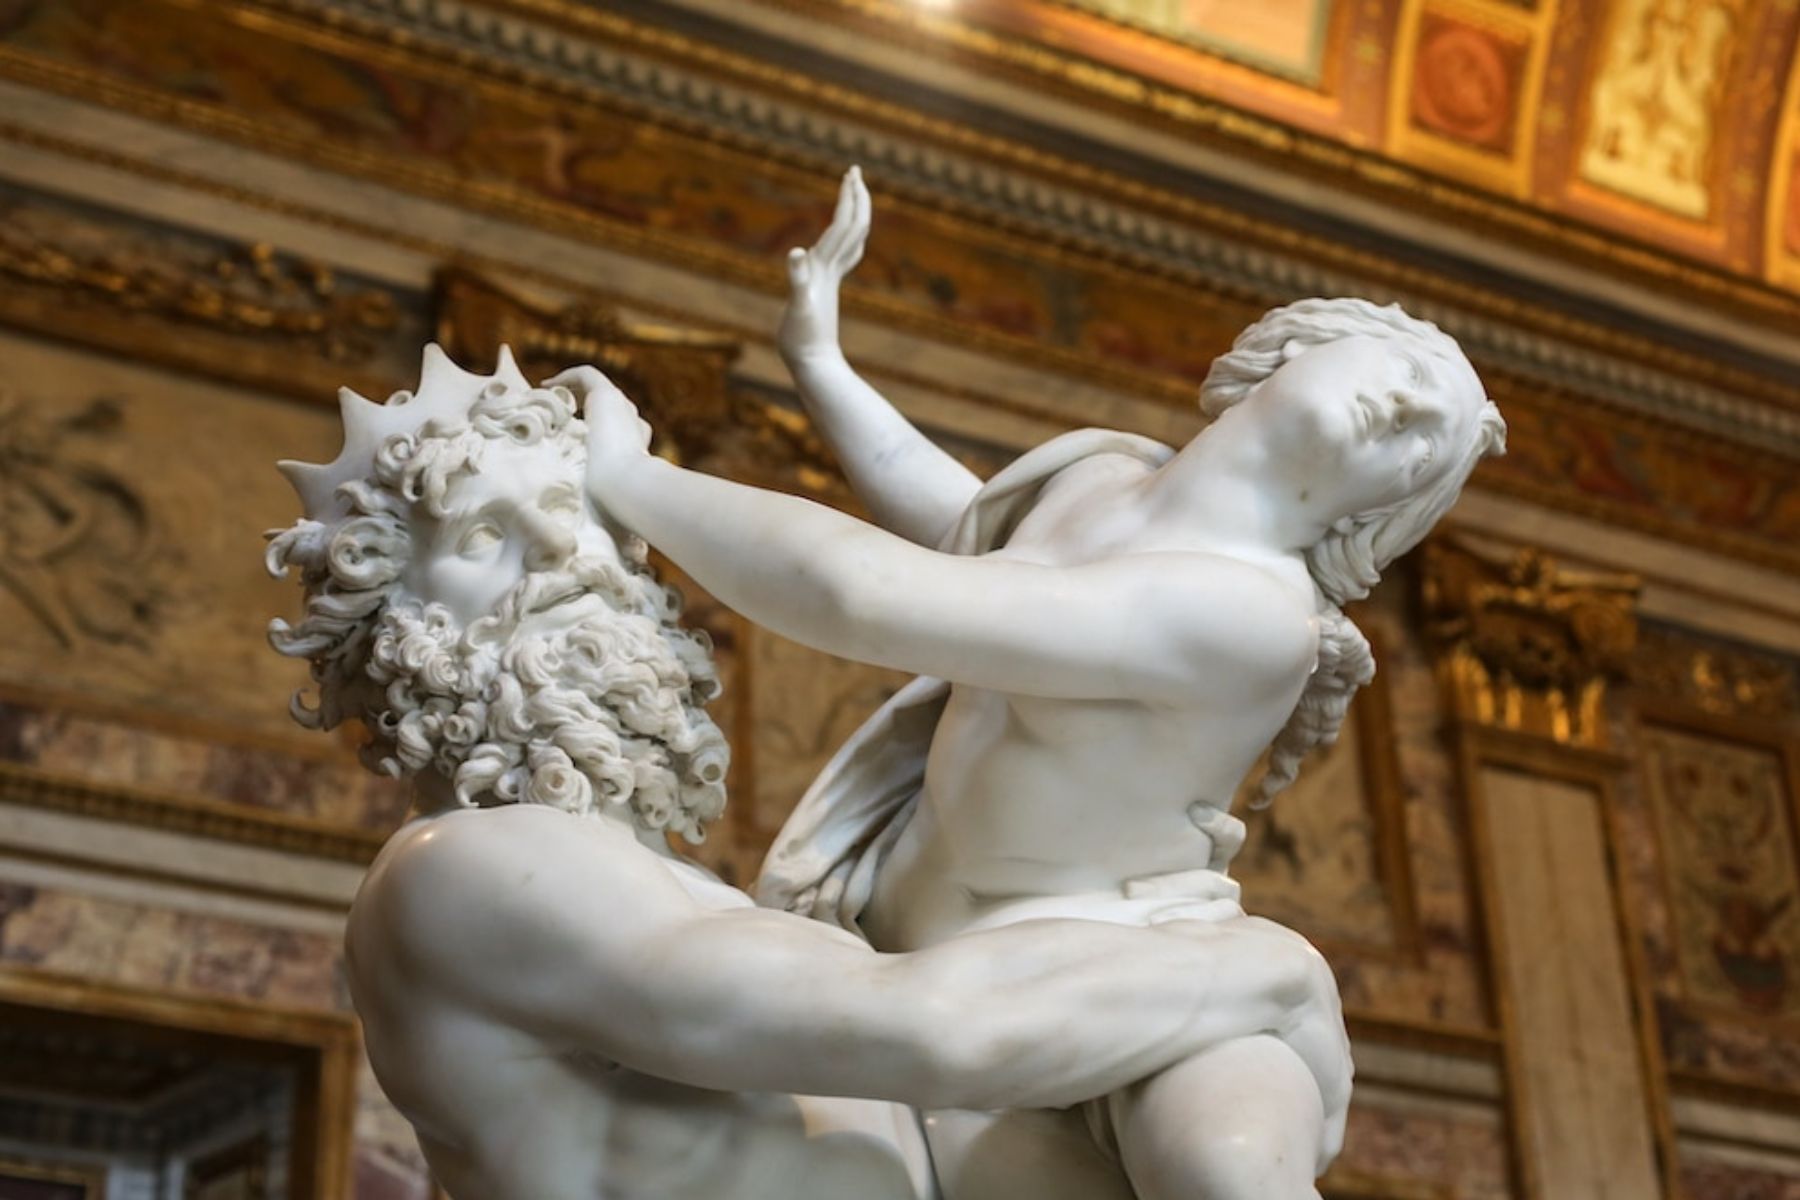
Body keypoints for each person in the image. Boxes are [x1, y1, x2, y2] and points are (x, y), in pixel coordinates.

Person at [569, 167, 1505, 1200]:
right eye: (1409, 369)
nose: (1409, 405)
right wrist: (821, 361)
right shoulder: (1100, 474)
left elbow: (868, 595)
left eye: (1429, 443)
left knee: (1224, 1171)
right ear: (1299, 344)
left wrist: (631, 477)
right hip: (926, 946)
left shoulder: (1253, 616)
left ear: (1383, 508)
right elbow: (962, 533)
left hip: (1140, 968)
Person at [265, 344, 1353, 1200]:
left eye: (576, 512)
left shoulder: (681, 891)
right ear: (387, 624)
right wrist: (1269, 970)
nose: (563, 556)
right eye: (481, 537)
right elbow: (935, 1033)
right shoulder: (463, 872)